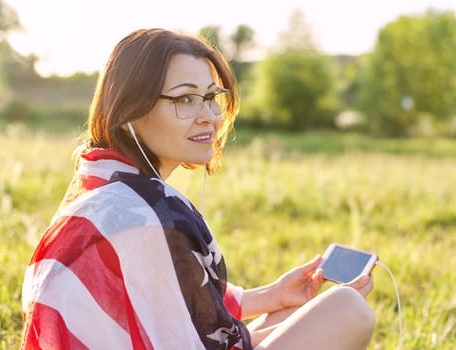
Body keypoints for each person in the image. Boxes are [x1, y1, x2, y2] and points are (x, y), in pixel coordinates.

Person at [20, 28, 375, 350]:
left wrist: (274, 295)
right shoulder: (149, 212)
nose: (209, 115)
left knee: (296, 314)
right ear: (131, 108)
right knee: (348, 310)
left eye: (211, 97)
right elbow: (207, 341)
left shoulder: (102, 184)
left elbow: (176, 309)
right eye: (185, 99)